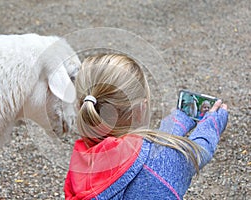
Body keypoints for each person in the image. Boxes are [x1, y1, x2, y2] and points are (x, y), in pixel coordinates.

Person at [64, 54, 228, 200]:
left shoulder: (82, 162)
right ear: (142, 108)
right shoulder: (162, 165)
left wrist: (179, 120)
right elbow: (198, 151)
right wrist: (213, 122)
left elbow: (151, 150)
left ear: (83, 107)